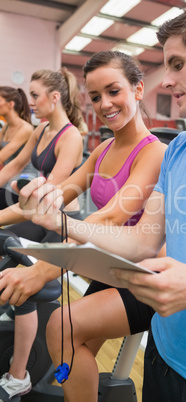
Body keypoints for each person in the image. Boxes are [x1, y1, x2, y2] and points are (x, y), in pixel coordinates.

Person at [13, 2, 186, 401]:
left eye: (177, 65)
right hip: (165, 356)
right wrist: (61, 225)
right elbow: (143, 243)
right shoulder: (180, 148)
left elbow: (117, 216)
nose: (166, 81)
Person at [0, 51, 167, 401]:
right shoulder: (103, 149)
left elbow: (106, 219)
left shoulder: (154, 152)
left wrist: (41, 272)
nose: (104, 103)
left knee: (61, 330)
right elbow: (53, 197)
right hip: (109, 271)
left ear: (138, 90)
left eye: (113, 91)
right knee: (70, 355)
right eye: (95, 96)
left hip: (143, 277)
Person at [0, 68, 84, 400]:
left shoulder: (72, 137)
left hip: (57, 222)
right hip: (38, 212)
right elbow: (14, 164)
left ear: (55, 97)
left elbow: (46, 199)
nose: (30, 101)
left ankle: (18, 375)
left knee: (25, 282)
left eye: (35, 95)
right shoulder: (42, 130)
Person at [0, 86, 34, 209]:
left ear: (10, 104)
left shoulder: (25, 129)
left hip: (21, 184)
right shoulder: (6, 127)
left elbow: (1, 157)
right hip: (6, 181)